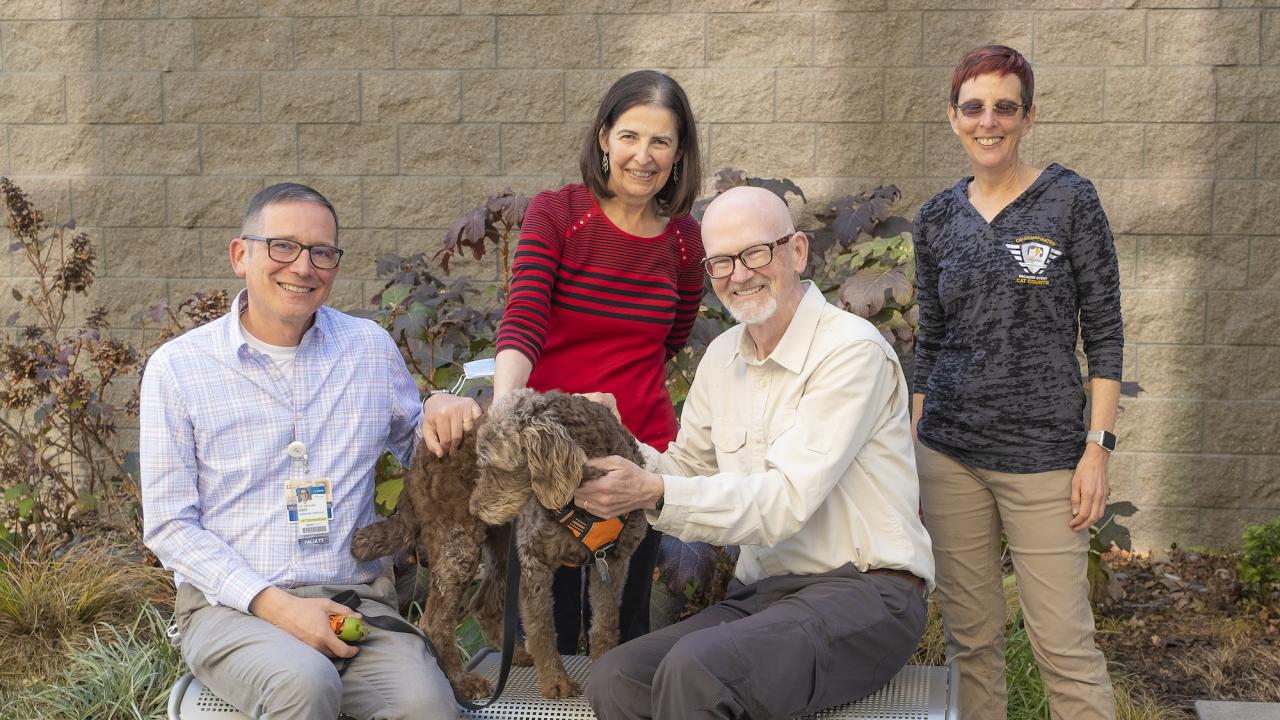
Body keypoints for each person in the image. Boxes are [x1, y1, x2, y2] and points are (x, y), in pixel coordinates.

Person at [573, 186, 935, 720]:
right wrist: (612, 442)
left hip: (869, 594)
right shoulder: (722, 357)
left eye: (755, 253)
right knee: (618, 677)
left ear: (797, 252)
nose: (738, 274)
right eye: (720, 262)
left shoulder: (850, 351)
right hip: (765, 595)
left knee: (699, 668)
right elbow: (685, 471)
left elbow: (783, 501)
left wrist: (653, 489)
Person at [140, 183, 453, 720]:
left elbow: (420, 448)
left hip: (356, 603)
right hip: (233, 608)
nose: (303, 266)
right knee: (304, 686)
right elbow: (170, 526)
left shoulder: (368, 349)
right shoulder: (179, 368)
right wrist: (278, 607)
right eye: (282, 246)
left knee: (426, 705)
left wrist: (447, 409)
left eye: (322, 252)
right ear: (241, 255)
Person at [421, 69, 705, 652]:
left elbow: (670, 337)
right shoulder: (559, 215)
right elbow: (525, 317)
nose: (643, 156)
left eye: (661, 141)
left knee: (618, 634)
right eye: (629, 136)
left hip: (636, 452)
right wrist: (507, 414)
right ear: (604, 137)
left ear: (679, 153)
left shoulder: (684, 240)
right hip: (550, 455)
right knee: (547, 639)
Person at [912, 45, 1123, 720]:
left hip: (1045, 462)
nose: (988, 121)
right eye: (973, 107)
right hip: (950, 457)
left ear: (1028, 116)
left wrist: (1097, 449)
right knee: (971, 645)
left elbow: (1107, 336)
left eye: (1005, 106)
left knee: (1064, 646)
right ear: (953, 117)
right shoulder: (938, 219)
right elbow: (932, 341)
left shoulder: (1069, 201)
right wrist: (918, 442)